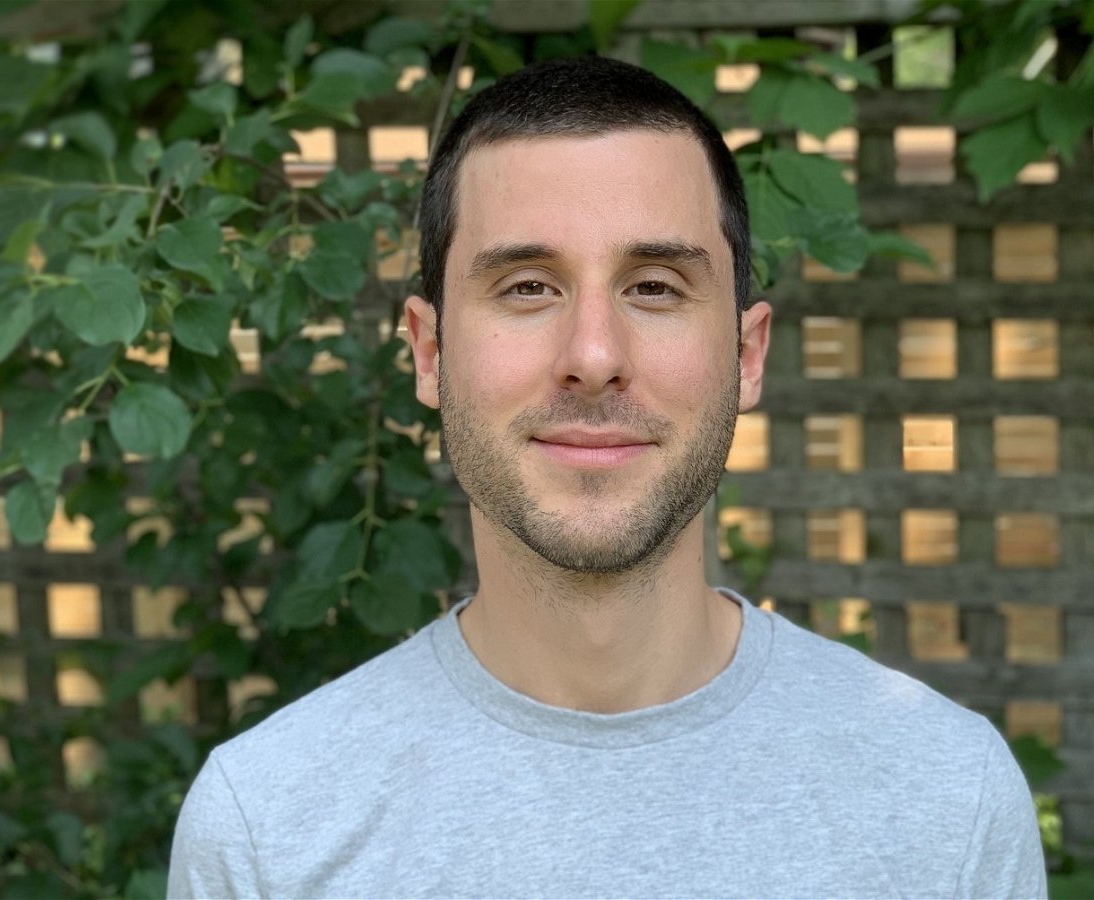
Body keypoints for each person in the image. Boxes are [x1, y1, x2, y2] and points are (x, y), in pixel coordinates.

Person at [169, 55, 1047, 899]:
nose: (593, 357)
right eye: (526, 287)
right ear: (429, 352)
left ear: (746, 355)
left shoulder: (946, 799)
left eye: (655, 287)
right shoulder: (269, 827)